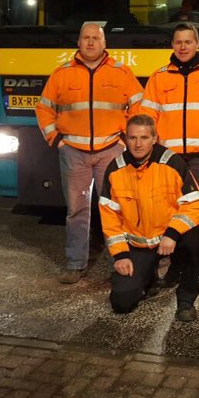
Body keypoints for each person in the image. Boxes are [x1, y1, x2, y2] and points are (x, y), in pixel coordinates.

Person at [36, 23, 144, 284]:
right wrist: (57, 140)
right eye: (86, 37)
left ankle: (121, 262)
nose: (91, 42)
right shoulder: (62, 73)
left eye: (96, 38)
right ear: (79, 42)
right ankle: (76, 264)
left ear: (104, 43)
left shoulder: (121, 72)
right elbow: (44, 109)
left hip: (111, 151)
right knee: (76, 211)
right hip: (73, 153)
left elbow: (139, 106)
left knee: (117, 208)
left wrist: (125, 140)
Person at [139, 22, 199, 293]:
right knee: (171, 212)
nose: (183, 47)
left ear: (197, 44)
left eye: (188, 42)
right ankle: (176, 268)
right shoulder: (158, 78)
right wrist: (151, 154)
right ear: (172, 45)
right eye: (178, 42)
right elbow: (147, 119)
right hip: (170, 159)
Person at [99, 114, 199, 321]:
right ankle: (148, 279)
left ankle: (186, 300)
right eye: (133, 138)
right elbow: (109, 217)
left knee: (195, 242)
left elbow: (196, 203)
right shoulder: (115, 170)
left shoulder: (173, 163)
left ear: (155, 138)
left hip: (170, 238)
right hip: (139, 244)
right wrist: (120, 255)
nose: (138, 144)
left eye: (144, 138)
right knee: (121, 303)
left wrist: (172, 233)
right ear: (125, 139)